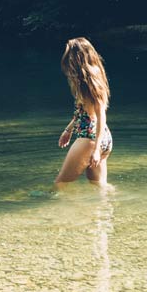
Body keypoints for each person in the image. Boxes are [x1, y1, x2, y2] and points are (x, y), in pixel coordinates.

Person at [54, 36, 113, 188]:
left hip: (90, 138)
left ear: (77, 57)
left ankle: (62, 211)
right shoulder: (95, 73)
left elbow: (101, 114)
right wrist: (68, 129)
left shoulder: (88, 80)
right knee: (99, 186)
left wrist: (96, 149)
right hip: (103, 137)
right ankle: (106, 210)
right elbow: (84, 111)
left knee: (60, 183)